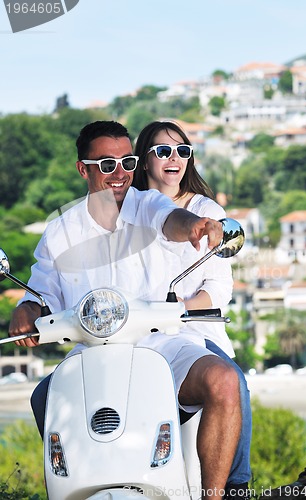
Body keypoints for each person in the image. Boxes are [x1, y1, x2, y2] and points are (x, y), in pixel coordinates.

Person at [8, 120, 246, 500]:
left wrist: (196, 226)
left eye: (128, 162)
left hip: (162, 344)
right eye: (106, 164)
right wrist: (27, 307)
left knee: (225, 381)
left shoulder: (148, 202)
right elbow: (42, 289)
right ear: (82, 169)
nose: (119, 174)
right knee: (44, 397)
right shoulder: (61, 231)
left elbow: (171, 221)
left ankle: (216, 496)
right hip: (93, 351)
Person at [133, 120, 252, 498]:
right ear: (143, 158)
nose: (175, 158)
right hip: (132, 331)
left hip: (192, 328)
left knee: (233, 382)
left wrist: (177, 307)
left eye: (182, 151)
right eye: (163, 151)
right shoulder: (126, 209)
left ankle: (235, 484)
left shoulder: (205, 210)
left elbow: (219, 289)